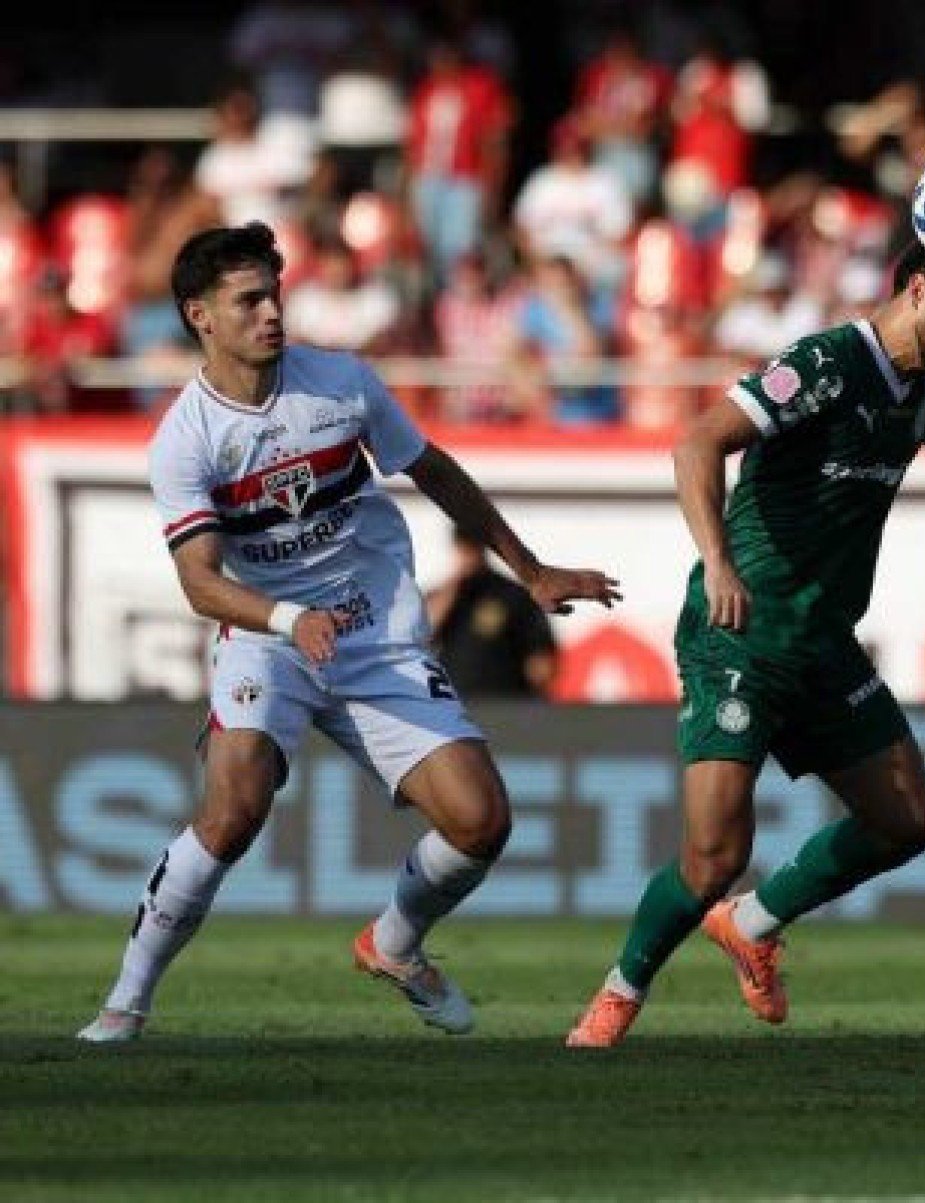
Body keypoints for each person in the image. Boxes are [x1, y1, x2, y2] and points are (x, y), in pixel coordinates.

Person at [76, 222, 618, 1043]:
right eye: (248, 299)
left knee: (483, 821)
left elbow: (433, 469)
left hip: (375, 634)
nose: (271, 312)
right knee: (233, 810)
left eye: (274, 293)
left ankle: (394, 941)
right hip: (268, 635)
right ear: (201, 317)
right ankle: (125, 1003)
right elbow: (201, 583)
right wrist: (292, 619)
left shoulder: (340, 383)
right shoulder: (184, 439)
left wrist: (531, 570)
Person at [564, 242, 925, 1048]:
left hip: (821, 641)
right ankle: (619, 993)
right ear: (918, 287)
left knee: (908, 819)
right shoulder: (826, 363)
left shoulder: (920, 395)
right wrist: (717, 559)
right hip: (740, 628)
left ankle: (753, 923)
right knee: (712, 855)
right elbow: (697, 443)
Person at [428, 525, 559, 698]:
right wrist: (454, 584)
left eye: (473, 546)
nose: (469, 554)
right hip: (455, 702)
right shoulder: (444, 595)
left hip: (505, 702)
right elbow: (425, 631)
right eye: (464, 547)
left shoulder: (514, 595)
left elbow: (541, 657)